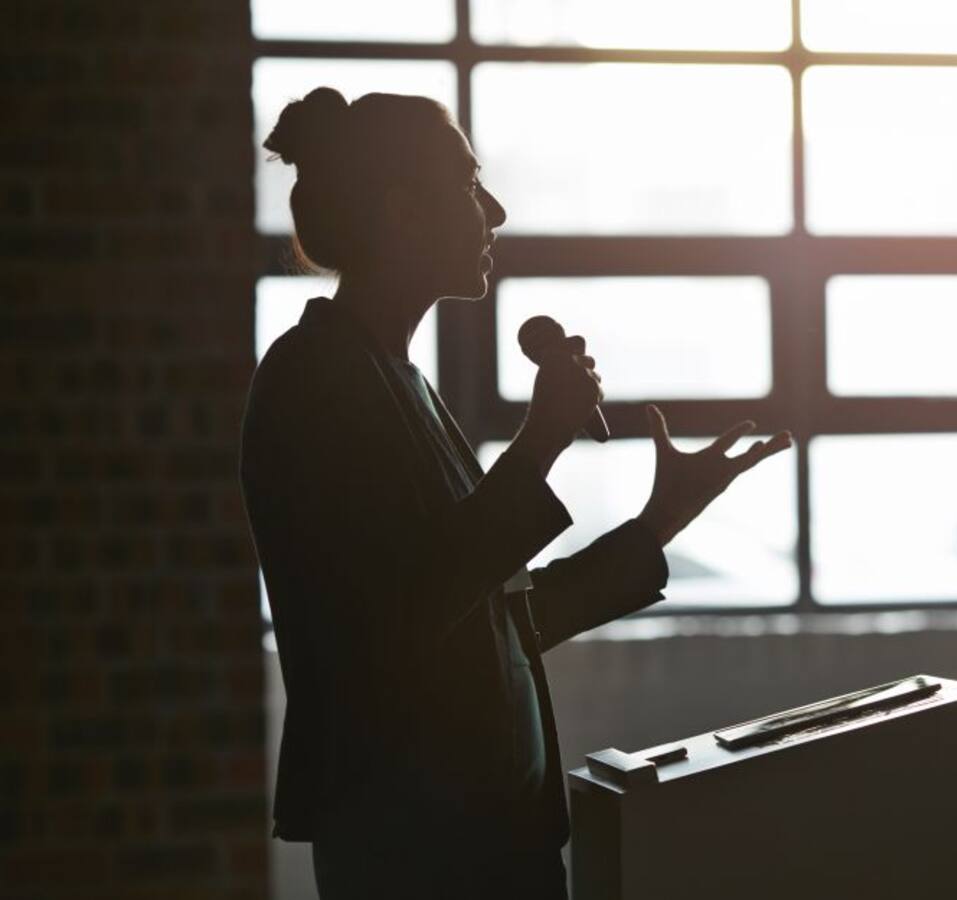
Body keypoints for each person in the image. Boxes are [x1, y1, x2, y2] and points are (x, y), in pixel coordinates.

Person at [239, 87, 793, 899]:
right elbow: (401, 612)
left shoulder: (399, 384)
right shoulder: (311, 380)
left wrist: (658, 522)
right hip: (416, 854)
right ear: (401, 210)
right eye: (468, 184)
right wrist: (539, 441)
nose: (493, 211)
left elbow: (497, 619)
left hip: (491, 844)